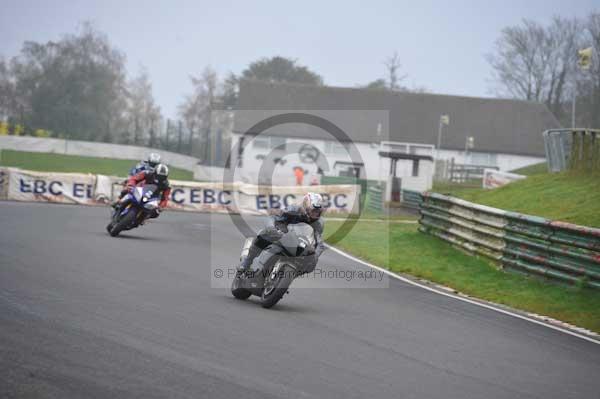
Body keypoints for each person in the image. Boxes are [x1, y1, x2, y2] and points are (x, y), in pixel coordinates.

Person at [238, 192, 325, 272]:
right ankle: (246, 262)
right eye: (313, 211)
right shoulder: (294, 209)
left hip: (298, 242)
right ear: (306, 207)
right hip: (282, 233)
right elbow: (274, 217)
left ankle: (286, 278)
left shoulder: (318, 223)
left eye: (318, 212)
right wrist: (272, 228)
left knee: (309, 264)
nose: (315, 214)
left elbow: (319, 243)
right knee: (263, 235)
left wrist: (315, 256)